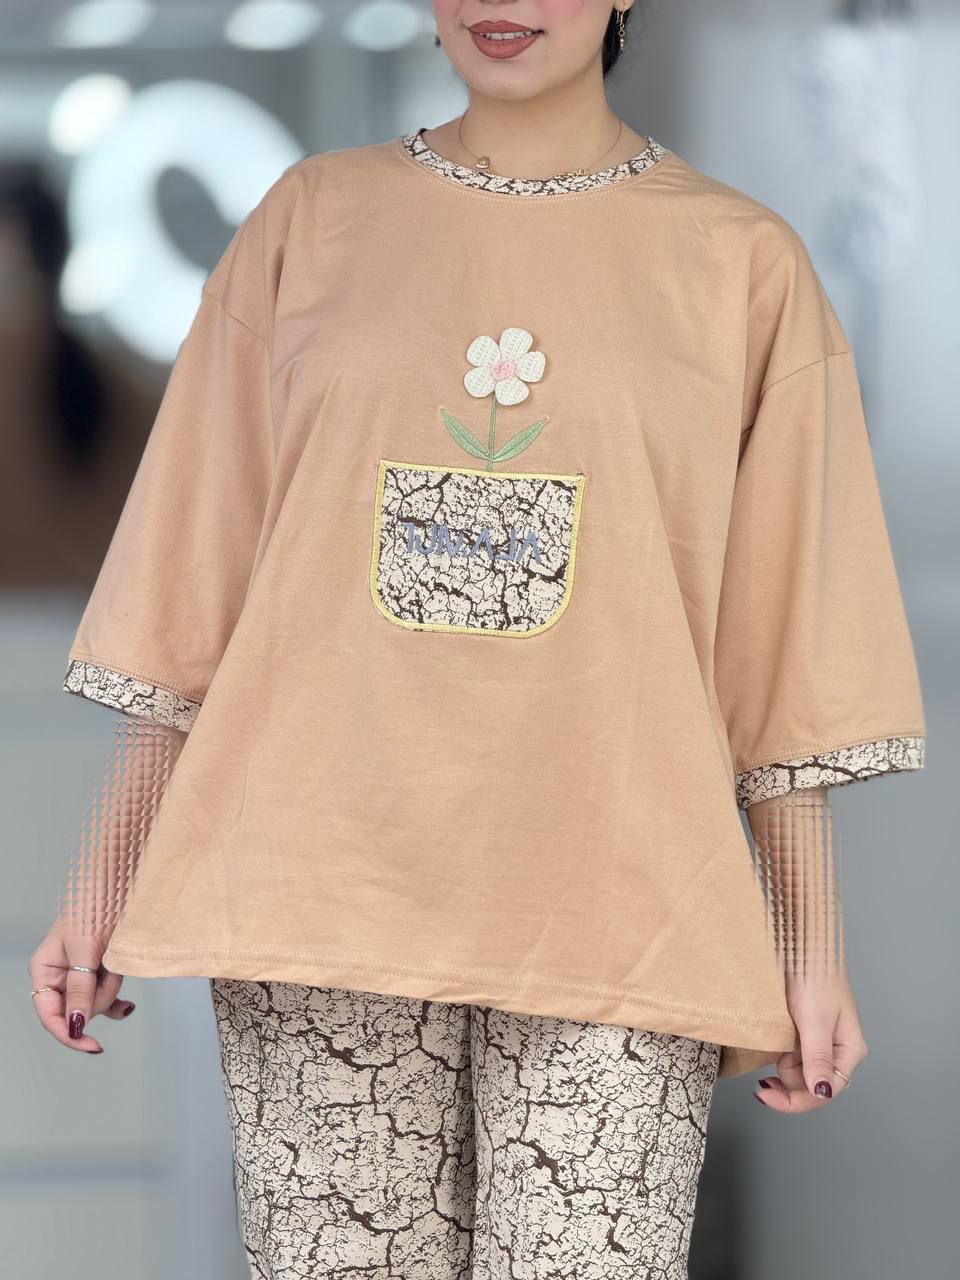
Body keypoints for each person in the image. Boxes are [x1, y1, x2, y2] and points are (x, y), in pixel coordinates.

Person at [30, 5, 927, 1277]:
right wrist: (98, 880)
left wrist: (810, 946)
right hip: (319, 893)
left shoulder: (741, 263)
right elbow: (194, 564)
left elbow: (784, 631)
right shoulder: (310, 220)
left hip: (627, 903)